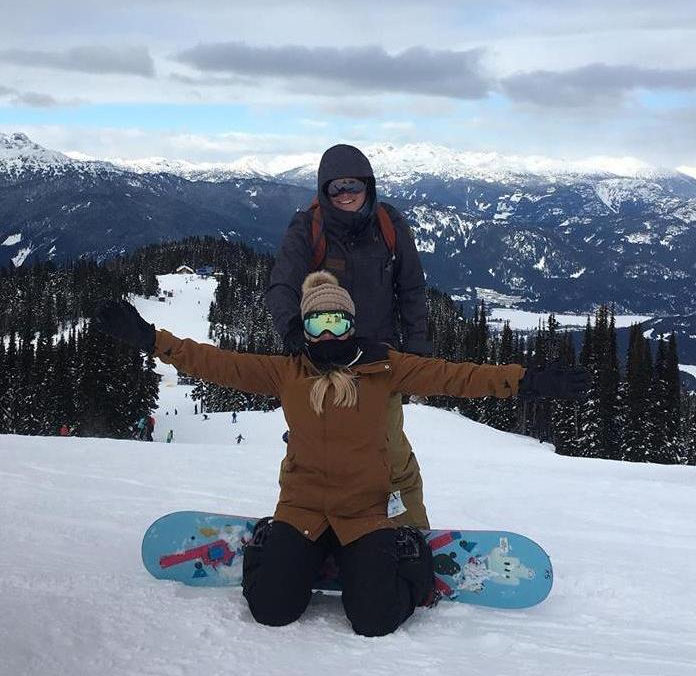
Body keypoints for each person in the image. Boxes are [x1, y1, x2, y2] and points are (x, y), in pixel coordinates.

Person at [93, 273, 588, 637]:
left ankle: (403, 553)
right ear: (305, 326)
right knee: (270, 610)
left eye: (336, 320)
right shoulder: (286, 371)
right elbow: (217, 363)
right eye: (317, 321)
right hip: (303, 508)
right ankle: (275, 544)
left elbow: (455, 375)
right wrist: (152, 340)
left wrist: (524, 380)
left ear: (350, 322)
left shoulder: (385, 368)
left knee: (374, 621)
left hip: (367, 512)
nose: (327, 332)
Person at [266, 144, 432, 529]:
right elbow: (281, 285)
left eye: (352, 185)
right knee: (308, 452)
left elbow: (411, 289)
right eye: (335, 188)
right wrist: (294, 333)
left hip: (377, 362)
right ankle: (299, 527)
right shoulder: (307, 228)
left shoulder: (389, 225)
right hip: (322, 360)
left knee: (389, 454)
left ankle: (411, 533)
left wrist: (419, 348)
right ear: (324, 192)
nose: (345, 195)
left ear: (368, 186)